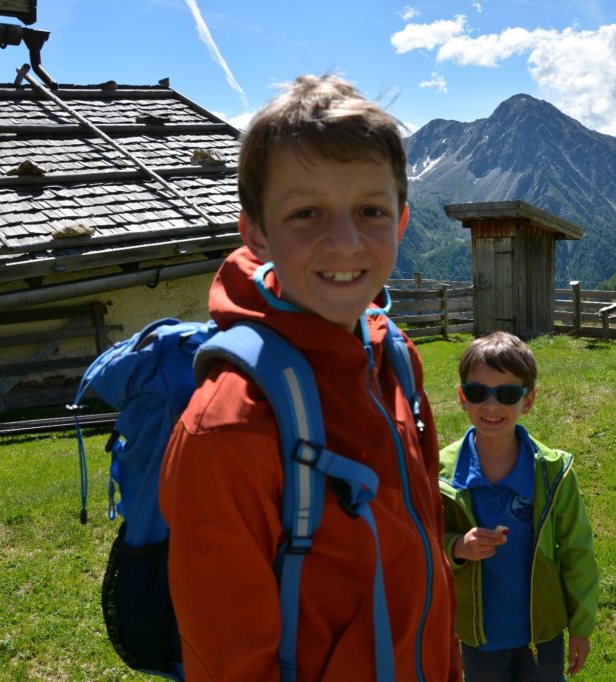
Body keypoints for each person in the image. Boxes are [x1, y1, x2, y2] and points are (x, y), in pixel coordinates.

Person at [159, 74, 461, 681]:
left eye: (370, 211)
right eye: (306, 213)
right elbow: (228, 664)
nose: (345, 243)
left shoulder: (394, 355)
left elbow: (424, 542)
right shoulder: (229, 424)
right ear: (256, 233)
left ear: (401, 222)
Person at [439, 332, 599, 681]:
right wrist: (457, 546)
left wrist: (581, 626)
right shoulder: (440, 474)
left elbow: (577, 552)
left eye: (507, 394)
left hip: (541, 633)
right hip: (477, 636)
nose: (491, 406)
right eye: (478, 392)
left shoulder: (552, 472)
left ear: (528, 401)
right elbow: (419, 539)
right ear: (462, 398)